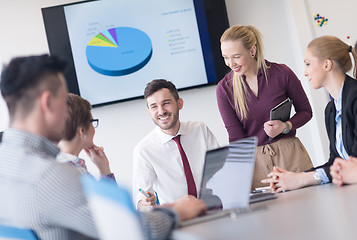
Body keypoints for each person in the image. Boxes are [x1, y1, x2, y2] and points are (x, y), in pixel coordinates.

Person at [0, 54, 206, 240]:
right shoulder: (50, 175)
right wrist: (178, 211)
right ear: (47, 103)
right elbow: (131, 232)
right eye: (64, 101)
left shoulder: (7, 163)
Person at [216, 25, 313, 189]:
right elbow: (236, 136)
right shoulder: (224, 89)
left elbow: (306, 112)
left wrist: (285, 126)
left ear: (252, 50)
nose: (230, 63)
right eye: (225, 57)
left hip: (291, 156)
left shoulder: (281, 73)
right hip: (256, 165)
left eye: (236, 56)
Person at [263, 35, 357, 192]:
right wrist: (293, 176)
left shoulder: (356, 97)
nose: (305, 72)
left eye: (308, 64)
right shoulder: (331, 109)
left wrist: (301, 179)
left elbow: (356, 162)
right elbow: (335, 162)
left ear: (327, 64)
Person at [133, 79, 219, 207]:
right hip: (180, 217)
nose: (161, 111)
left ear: (179, 103)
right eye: (154, 107)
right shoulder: (144, 150)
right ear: (149, 112)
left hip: (214, 207)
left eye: (166, 103)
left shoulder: (200, 130)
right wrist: (144, 202)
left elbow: (221, 170)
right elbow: (141, 198)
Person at [57, 93, 115, 182]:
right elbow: (112, 196)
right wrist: (105, 171)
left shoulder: (55, 167)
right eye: (92, 122)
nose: (93, 129)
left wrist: (103, 167)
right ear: (82, 130)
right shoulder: (76, 173)